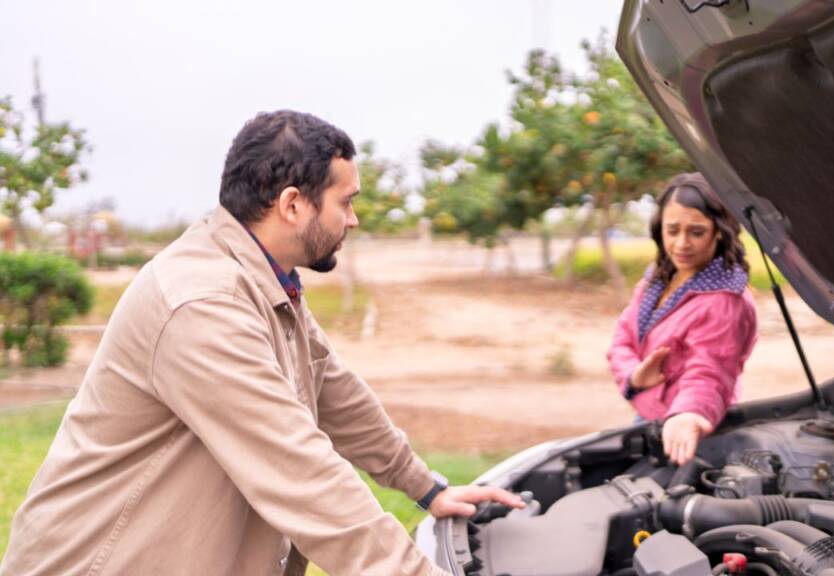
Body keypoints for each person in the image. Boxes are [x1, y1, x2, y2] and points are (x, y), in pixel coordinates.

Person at [0, 110, 524, 576]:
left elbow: (334, 389)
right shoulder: (202, 302)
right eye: (346, 202)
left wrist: (427, 488)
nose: (354, 219)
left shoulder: (264, 279)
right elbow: (297, 469)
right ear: (293, 204)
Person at [607, 172, 757, 467]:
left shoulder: (724, 301)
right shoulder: (659, 277)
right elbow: (622, 338)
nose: (681, 243)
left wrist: (690, 413)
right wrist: (635, 375)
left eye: (696, 232)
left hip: (687, 431)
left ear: (719, 231)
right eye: (672, 230)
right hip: (650, 418)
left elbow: (710, 370)